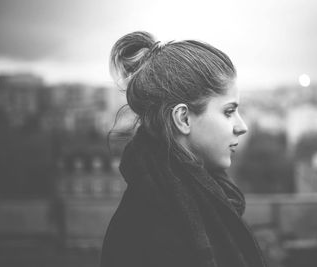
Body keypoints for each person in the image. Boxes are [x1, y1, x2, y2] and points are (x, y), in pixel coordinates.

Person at [100, 31, 266, 267]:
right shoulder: (150, 233)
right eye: (229, 111)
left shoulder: (180, 200)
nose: (242, 126)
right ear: (184, 119)